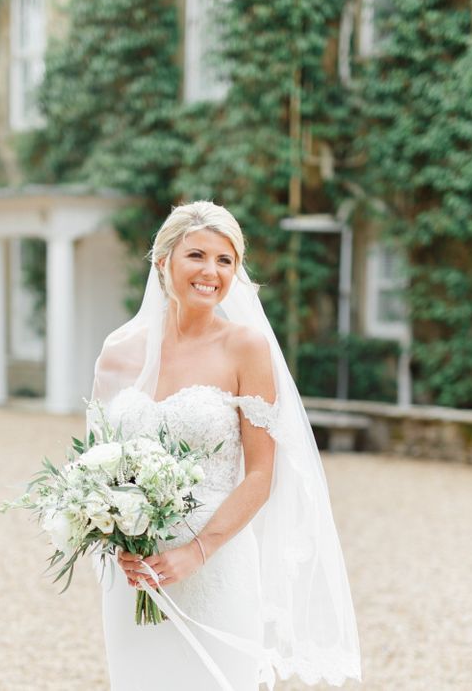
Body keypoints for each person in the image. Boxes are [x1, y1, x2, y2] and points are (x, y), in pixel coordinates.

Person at [90, 201, 361, 690]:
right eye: (196, 255)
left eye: (225, 260)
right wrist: (116, 541)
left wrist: (197, 551)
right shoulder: (119, 351)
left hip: (216, 564)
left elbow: (261, 474)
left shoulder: (246, 348)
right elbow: (92, 465)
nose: (210, 272)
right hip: (134, 573)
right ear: (162, 262)